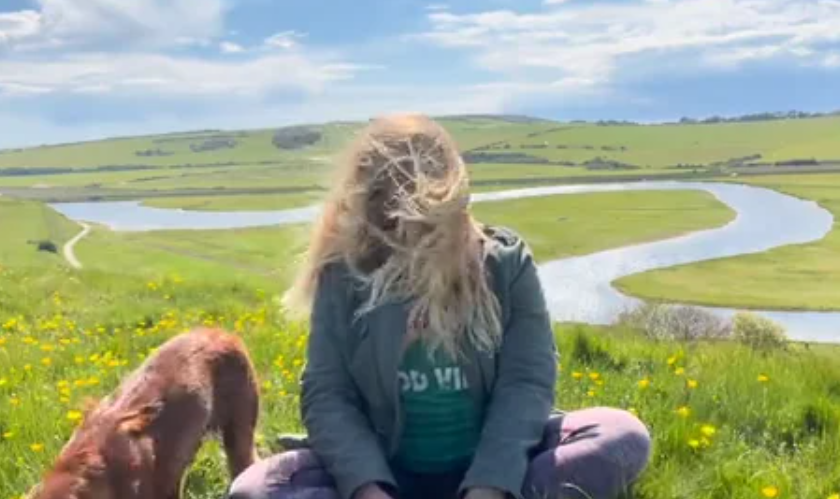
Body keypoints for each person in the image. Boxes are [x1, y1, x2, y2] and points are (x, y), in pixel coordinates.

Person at [228, 114, 651, 499]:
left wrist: (489, 486)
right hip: (385, 472)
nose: (409, 239)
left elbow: (526, 382)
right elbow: (327, 394)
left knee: (623, 435)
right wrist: (366, 488)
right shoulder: (344, 275)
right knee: (254, 491)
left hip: (497, 468)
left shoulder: (503, 264)